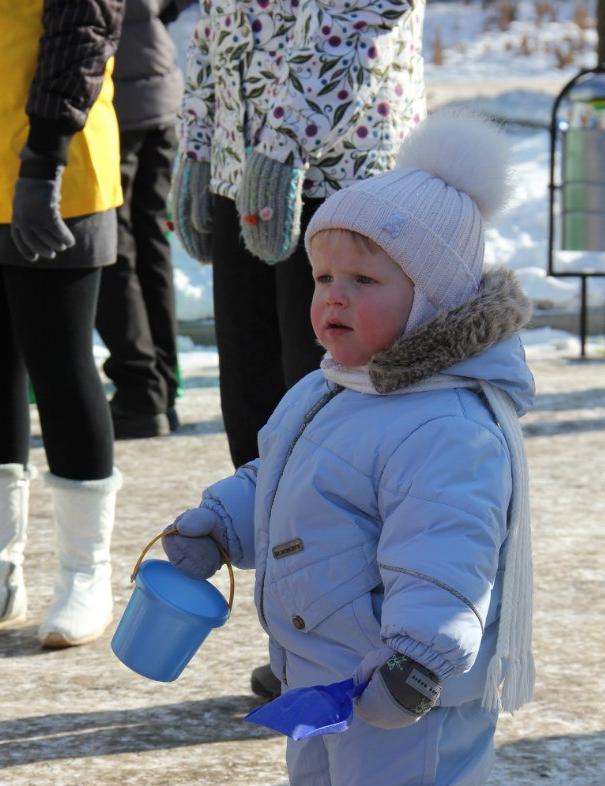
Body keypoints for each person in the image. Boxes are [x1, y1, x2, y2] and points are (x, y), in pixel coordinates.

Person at [160, 109, 535, 786]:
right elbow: (282, 480)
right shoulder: (332, 385)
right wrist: (220, 520)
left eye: (364, 280)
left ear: (434, 298)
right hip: (329, 674)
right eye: (324, 275)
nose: (331, 297)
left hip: (405, 682)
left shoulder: (445, 424)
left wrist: (417, 658)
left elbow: (448, 558)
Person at [170, 0, 428, 698]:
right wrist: (197, 139)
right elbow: (218, 19)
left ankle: (356, 642)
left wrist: (286, 139)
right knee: (260, 411)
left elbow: (363, 13)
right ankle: (300, 627)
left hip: (341, 171)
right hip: (243, 169)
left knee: (335, 419)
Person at [0, 0, 125, 648]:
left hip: (53, 162)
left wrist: (45, 156)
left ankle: (85, 573)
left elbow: (84, 26)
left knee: (61, 364)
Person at [96, 0, 194, 440]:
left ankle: (140, 391)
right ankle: (161, 389)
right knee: (150, 243)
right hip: (160, 91)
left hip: (113, 97)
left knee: (110, 246)